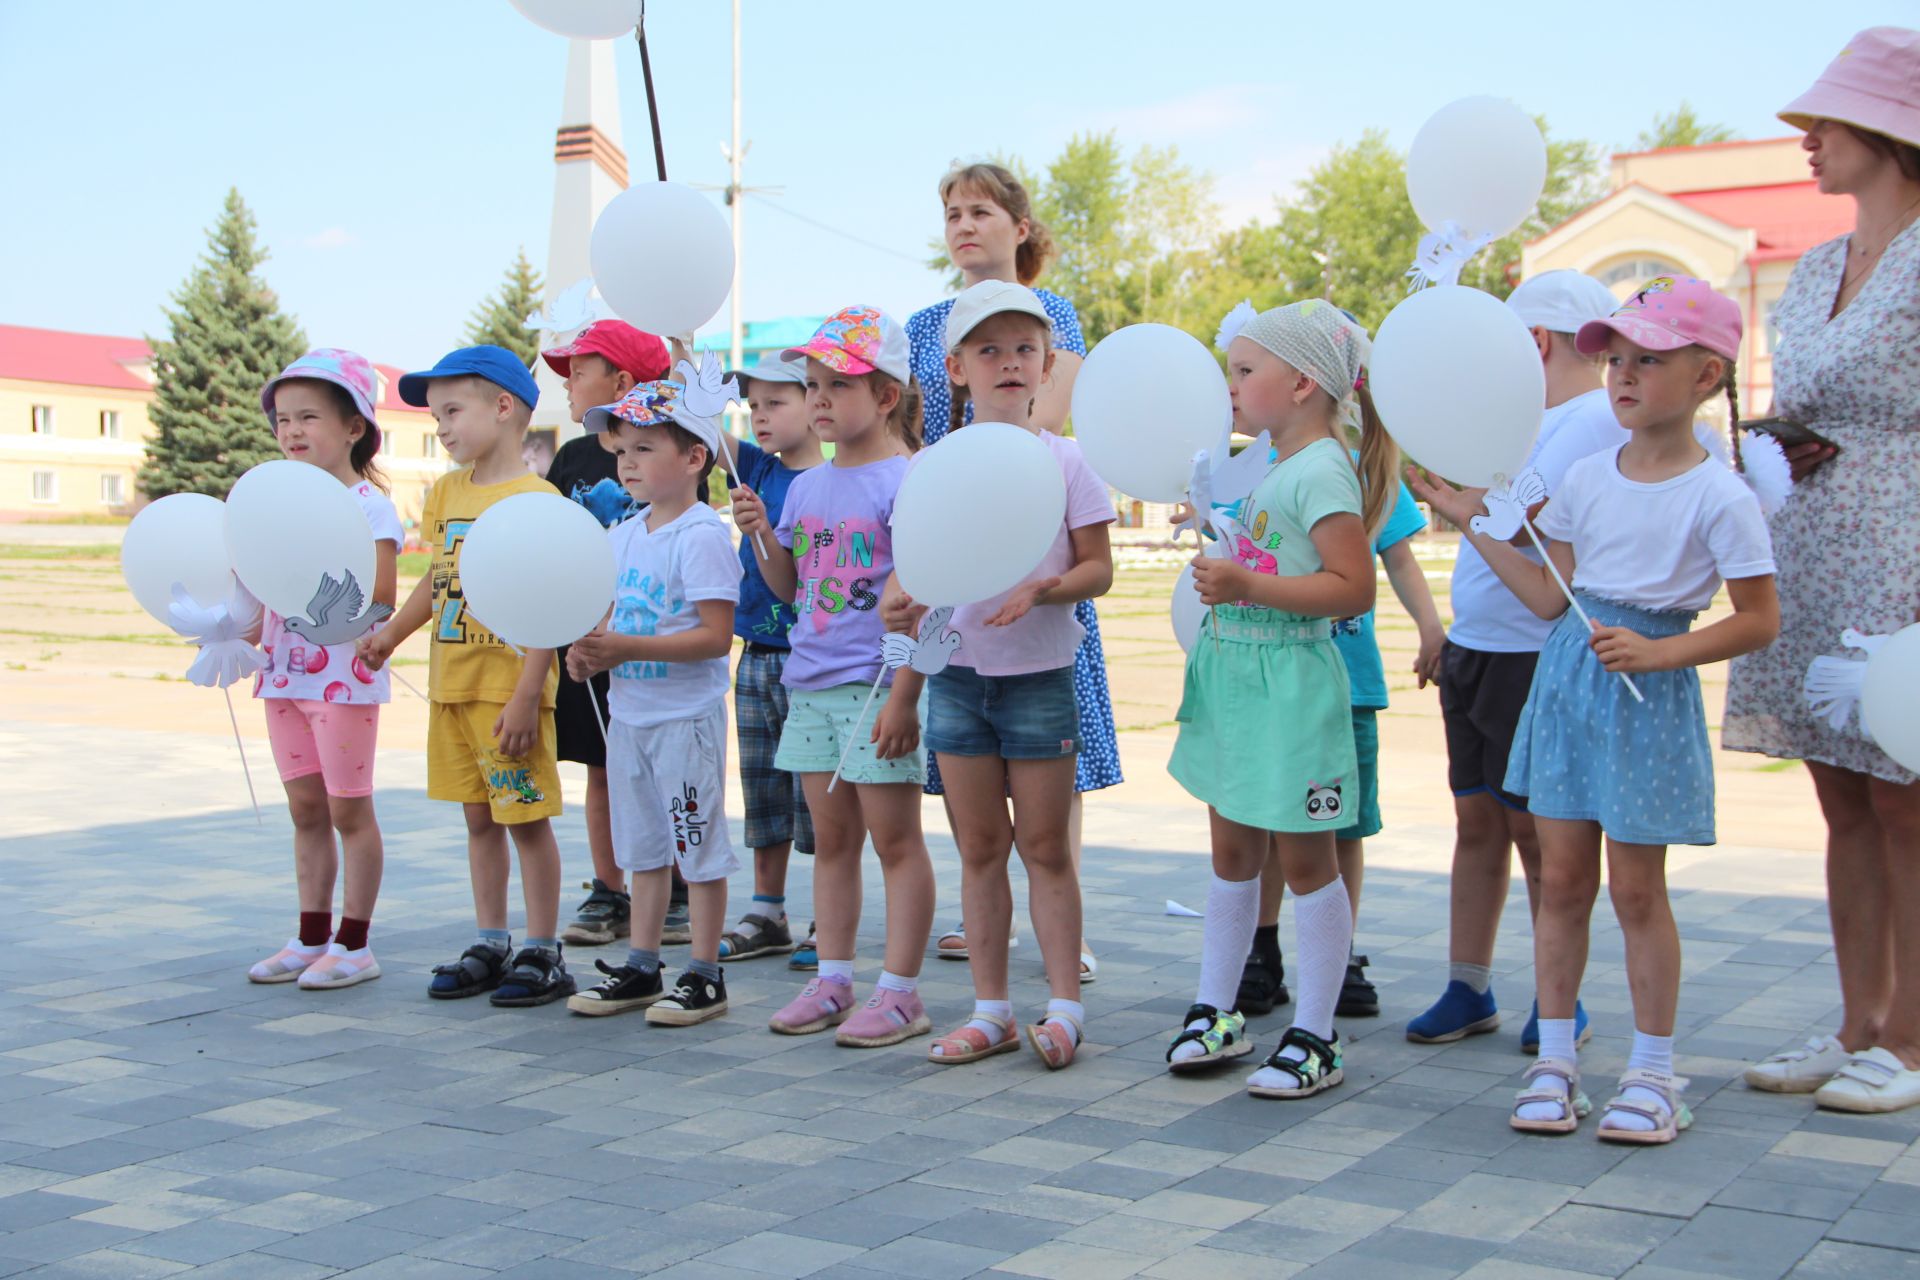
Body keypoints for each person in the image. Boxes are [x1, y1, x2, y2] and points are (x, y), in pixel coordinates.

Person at [1414, 278, 1778, 1143]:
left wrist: (1661, 651)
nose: (1621, 375)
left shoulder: (1720, 494)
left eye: (1648, 360)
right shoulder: (1584, 475)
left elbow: (1760, 620)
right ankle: (1555, 1063)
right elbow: (1548, 598)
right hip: (1569, 688)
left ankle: (1654, 1073)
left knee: (1639, 891)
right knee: (1564, 879)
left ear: (1706, 376)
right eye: (1615, 358)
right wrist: (1471, 520)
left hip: (1644, 696)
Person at [1725, 26, 1920, 1114]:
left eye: (1825, 123)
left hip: (1904, 540)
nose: (1806, 139)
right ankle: (1859, 1019)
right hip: (1810, 536)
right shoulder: (1810, 269)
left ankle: (1911, 1035)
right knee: (1842, 797)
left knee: (1908, 798)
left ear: (1889, 132)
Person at [1164, 300, 1394, 1100]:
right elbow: (1262, 538)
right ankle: (1216, 1009)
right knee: (1233, 855)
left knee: (1304, 861)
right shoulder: (1263, 461)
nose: (1230, 386)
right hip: (1235, 678)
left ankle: (1316, 1034)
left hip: (1293, 685)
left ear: (1301, 383)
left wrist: (1245, 581)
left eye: (1244, 370)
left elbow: (1350, 587)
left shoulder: (1324, 467)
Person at [890, 281, 1114, 1070]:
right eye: (989, 350)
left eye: (1024, 349)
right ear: (955, 367)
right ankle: (992, 1011)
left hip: (1040, 679)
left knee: (1046, 847)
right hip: (956, 681)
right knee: (980, 848)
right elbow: (910, 579)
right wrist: (896, 609)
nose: (1009, 363)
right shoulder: (930, 468)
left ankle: (1064, 1007)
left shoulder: (1068, 462)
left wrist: (1045, 587)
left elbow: (1099, 571)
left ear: (1048, 365)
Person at [1404, 270, 1628, 1052]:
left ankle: (1556, 996)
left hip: (1537, 654)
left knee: (1538, 831)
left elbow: (1525, 530)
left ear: (1531, 343)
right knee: (1477, 819)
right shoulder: (1521, 419)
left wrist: (1463, 505)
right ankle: (1468, 984)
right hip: (1479, 644)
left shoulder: (1592, 421)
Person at [731, 306, 937, 1048]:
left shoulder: (908, 480)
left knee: (895, 842)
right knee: (834, 840)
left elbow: (925, 599)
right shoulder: (809, 486)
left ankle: (902, 991)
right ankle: (836, 978)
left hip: (876, 687)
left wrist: (905, 697)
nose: (818, 400)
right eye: (811, 385)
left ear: (886, 396)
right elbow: (789, 588)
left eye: (835, 386)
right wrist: (759, 531)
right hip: (810, 685)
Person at [357, 346, 574, 1007]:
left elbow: (551, 602)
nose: (442, 427)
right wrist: (392, 634)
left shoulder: (537, 499)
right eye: (435, 417)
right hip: (452, 688)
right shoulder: (449, 493)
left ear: (504, 408)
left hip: (508, 693)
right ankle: (491, 938)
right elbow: (439, 577)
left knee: (525, 820)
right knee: (479, 820)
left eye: (452, 411)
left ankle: (542, 947)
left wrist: (527, 692)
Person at [563, 379, 743, 1024]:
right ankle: (641, 966)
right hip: (630, 718)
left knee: (695, 845)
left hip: (683, 722)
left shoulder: (700, 535)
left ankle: (703, 973)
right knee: (639, 847)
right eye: (621, 451)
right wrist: (585, 655)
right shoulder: (622, 536)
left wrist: (623, 646)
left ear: (695, 458)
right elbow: (602, 623)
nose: (627, 463)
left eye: (644, 448)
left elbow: (715, 637)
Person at [1238, 465, 1444, 1020]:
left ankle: (1340, 951)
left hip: (1348, 682)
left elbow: (1398, 557)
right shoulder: (1261, 469)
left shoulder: (1367, 473)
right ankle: (1260, 948)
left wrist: (1431, 627)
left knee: (1343, 824)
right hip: (1275, 679)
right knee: (1271, 822)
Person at [245, 349, 399, 991]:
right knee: (305, 809)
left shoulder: (368, 507)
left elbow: (383, 596)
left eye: (309, 417)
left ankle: (355, 944)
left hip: (343, 679)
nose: (293, 431)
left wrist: (357, 623)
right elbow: (257, 599)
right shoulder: (271, 504)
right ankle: (310, 936)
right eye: (283, 420)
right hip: (282, 676)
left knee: (347, 811)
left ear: (354, 427)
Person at [541, 321, 676, 953]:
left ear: (622, 382)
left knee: (660, 771)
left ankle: (671, 882)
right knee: (600, 769)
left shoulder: (673, 451)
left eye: (579, 369)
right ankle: (608, 887)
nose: (566, 380)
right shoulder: (570, 458)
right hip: (584, 648)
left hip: (647, 646)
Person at [716, 354, 824, 970]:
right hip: (756, 655)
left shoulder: (827, 482)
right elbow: (704, 425)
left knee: (818, 800)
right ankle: (767, 909)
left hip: (811, 662)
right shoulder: (752, 467)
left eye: (775, 403)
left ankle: (826, 914)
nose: (759, 416)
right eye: (753, 405)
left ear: (815, 404)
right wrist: (683, 357)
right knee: (763, 789)